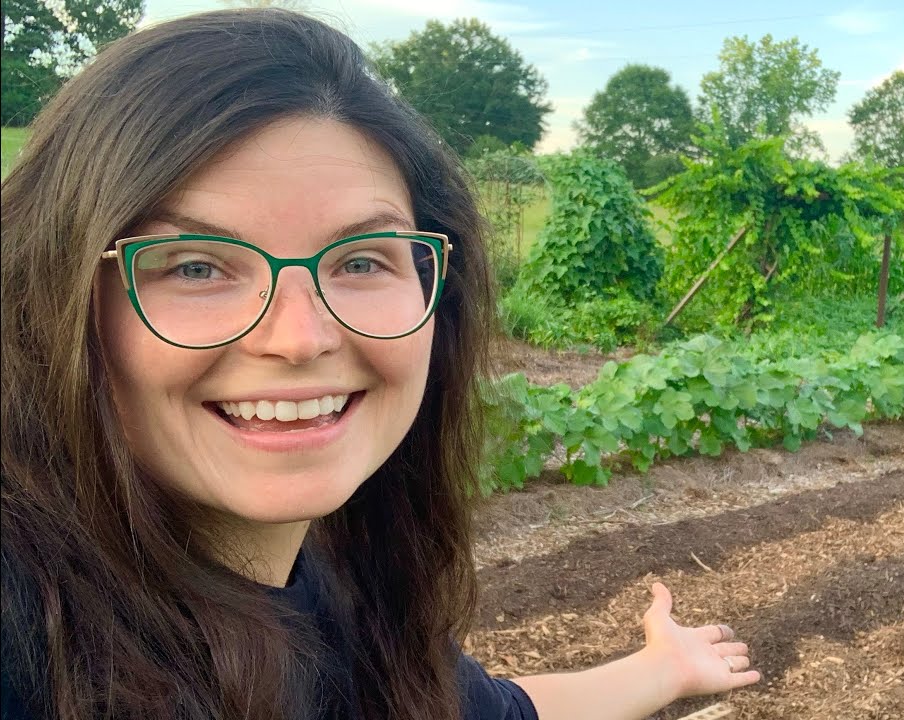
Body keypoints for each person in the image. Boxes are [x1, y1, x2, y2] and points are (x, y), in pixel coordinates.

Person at [0, 9, 759, 719]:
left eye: (362, 259)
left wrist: (669, 669)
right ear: (53, 295)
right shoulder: (24, 630)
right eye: (195, 267)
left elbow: (479, 709)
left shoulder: (343, 593)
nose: (300, 338)